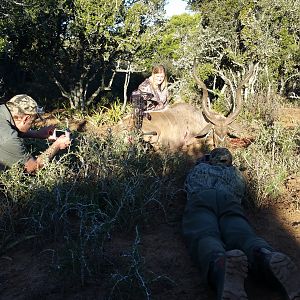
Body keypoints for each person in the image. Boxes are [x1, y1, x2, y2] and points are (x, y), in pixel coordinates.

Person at [182, 148, 300, 300]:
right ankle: (265, 255)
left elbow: (187, 184)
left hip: (201, 198)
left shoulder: (199, 169)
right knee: (243, 235)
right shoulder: (237, 175)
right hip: (230, 202)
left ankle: (220, 264)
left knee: (204, 233)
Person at [0, 94, 71, 173]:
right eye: (32, 122)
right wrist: (57, 145)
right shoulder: (9, 138)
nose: (32, 126)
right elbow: (33, 168)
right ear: (26, 118)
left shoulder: (3, 109)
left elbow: (11, 129)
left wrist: (37, 134)